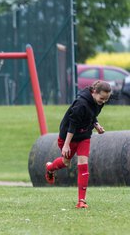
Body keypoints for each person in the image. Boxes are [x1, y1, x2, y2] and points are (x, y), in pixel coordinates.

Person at [45, 80, 111, 208]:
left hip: (84, 136)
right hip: (68, 136)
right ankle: (50, 168)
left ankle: (81, 201)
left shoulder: (98, 101)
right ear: (94, 92)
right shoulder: (81, 104)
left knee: (83, 166)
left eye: (106, 99)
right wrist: (66, 145)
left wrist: (96, 125)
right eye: (102, 98)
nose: (103, 101)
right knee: (65, 163)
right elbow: (72, 124)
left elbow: (91, 115)